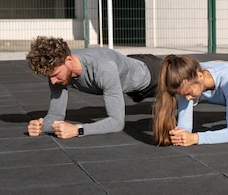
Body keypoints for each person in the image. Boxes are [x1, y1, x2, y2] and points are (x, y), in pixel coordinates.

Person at [25, 36, 162, 138]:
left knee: (179, 102)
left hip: (156, 74)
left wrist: (77, 129)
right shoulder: (58, 73)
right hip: (130, 71)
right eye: (49, 77)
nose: (53, 82)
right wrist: (41, 126)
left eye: (55, 75)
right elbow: (56, 115)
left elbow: (117, 123)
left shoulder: (103, 68)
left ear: (69, 61)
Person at [153, 54, 228, 146]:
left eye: (190, 93)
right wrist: (180, 135)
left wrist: (195, 138)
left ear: (200, 76)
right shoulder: (188, 78)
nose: (187, 98)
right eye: (183, 95)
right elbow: (185, 127)